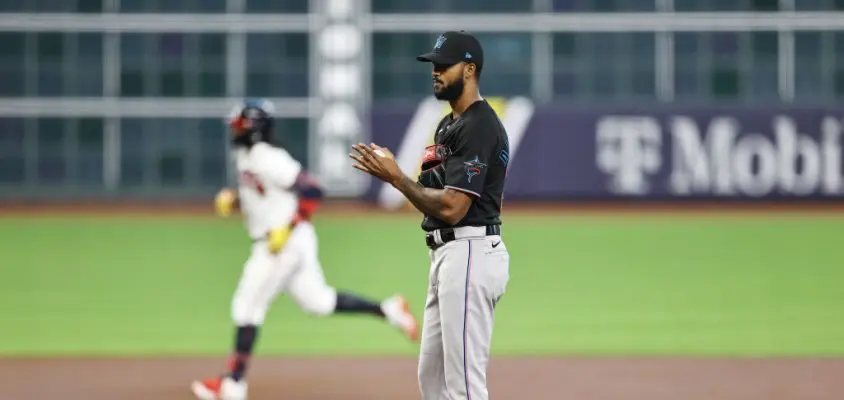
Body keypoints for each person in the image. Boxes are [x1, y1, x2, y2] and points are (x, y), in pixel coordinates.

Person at [191, 98, 420, 400]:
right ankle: (389, 310)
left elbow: (312, 189)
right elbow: (264, 194)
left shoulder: (268, 156)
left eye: (239, 126)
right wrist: (234, 200)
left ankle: (233, 384)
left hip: (284, 243)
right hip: (292, 241)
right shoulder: (247, 156)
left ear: (254, 129)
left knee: (246, 305)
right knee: (319, 302)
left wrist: (287, 227)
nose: (234, 131)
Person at [349, 31, 511, 400]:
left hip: (470, 252)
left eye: (444, 65)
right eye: (433, 66)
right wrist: (403, 178)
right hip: (446, 257)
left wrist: (396, 178)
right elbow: (431, 187)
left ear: (469, 69)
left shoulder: (479, 125)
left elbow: (454, 208)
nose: (435, 72)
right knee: (433, 380)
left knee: (464, 387)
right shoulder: (448, 125)